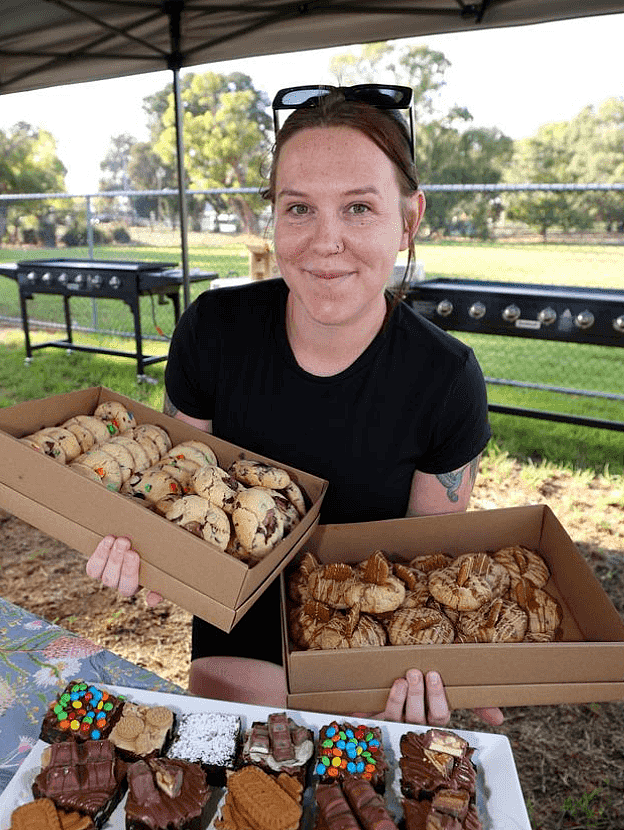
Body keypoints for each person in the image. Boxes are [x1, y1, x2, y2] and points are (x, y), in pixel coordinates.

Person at [86, 84, 502, 728]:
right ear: (272, 216)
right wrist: (143, 549)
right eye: (299, 207)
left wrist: (433, 664)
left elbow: (426, 570)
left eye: (359, 207)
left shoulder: (446, 379)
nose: (324, 241)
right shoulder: (213, 331)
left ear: (410, 219)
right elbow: (173, 485)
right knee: (244, 762)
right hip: (236, 613)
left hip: (367, 641)